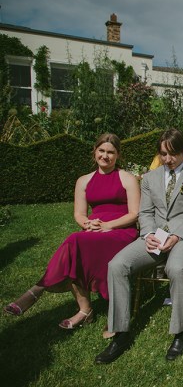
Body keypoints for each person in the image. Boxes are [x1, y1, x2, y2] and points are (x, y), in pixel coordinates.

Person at [95, 129, 183, 364]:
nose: (168, 159)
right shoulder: (149, 178)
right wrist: (147, 235)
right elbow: (145, 212)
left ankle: (181, 331)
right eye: (164, 154)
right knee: (117, 265)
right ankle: (121, 332)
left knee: (177, 269)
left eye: (173, 154)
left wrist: (176, 236)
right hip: (153, 236)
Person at [4, 134, 140, 329]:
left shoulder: (127, 178)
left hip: (121, 231)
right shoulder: (83, 181)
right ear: (94, 151)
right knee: (76, 246)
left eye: (111, 152)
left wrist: (109, 225)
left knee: (75, 243)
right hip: (93, 230)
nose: (105, 156)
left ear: (118, 155)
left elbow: (135, 213)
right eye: (101, 151)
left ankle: (39, 290)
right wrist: (87, 224)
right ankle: (84, 309)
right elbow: (79, 214)